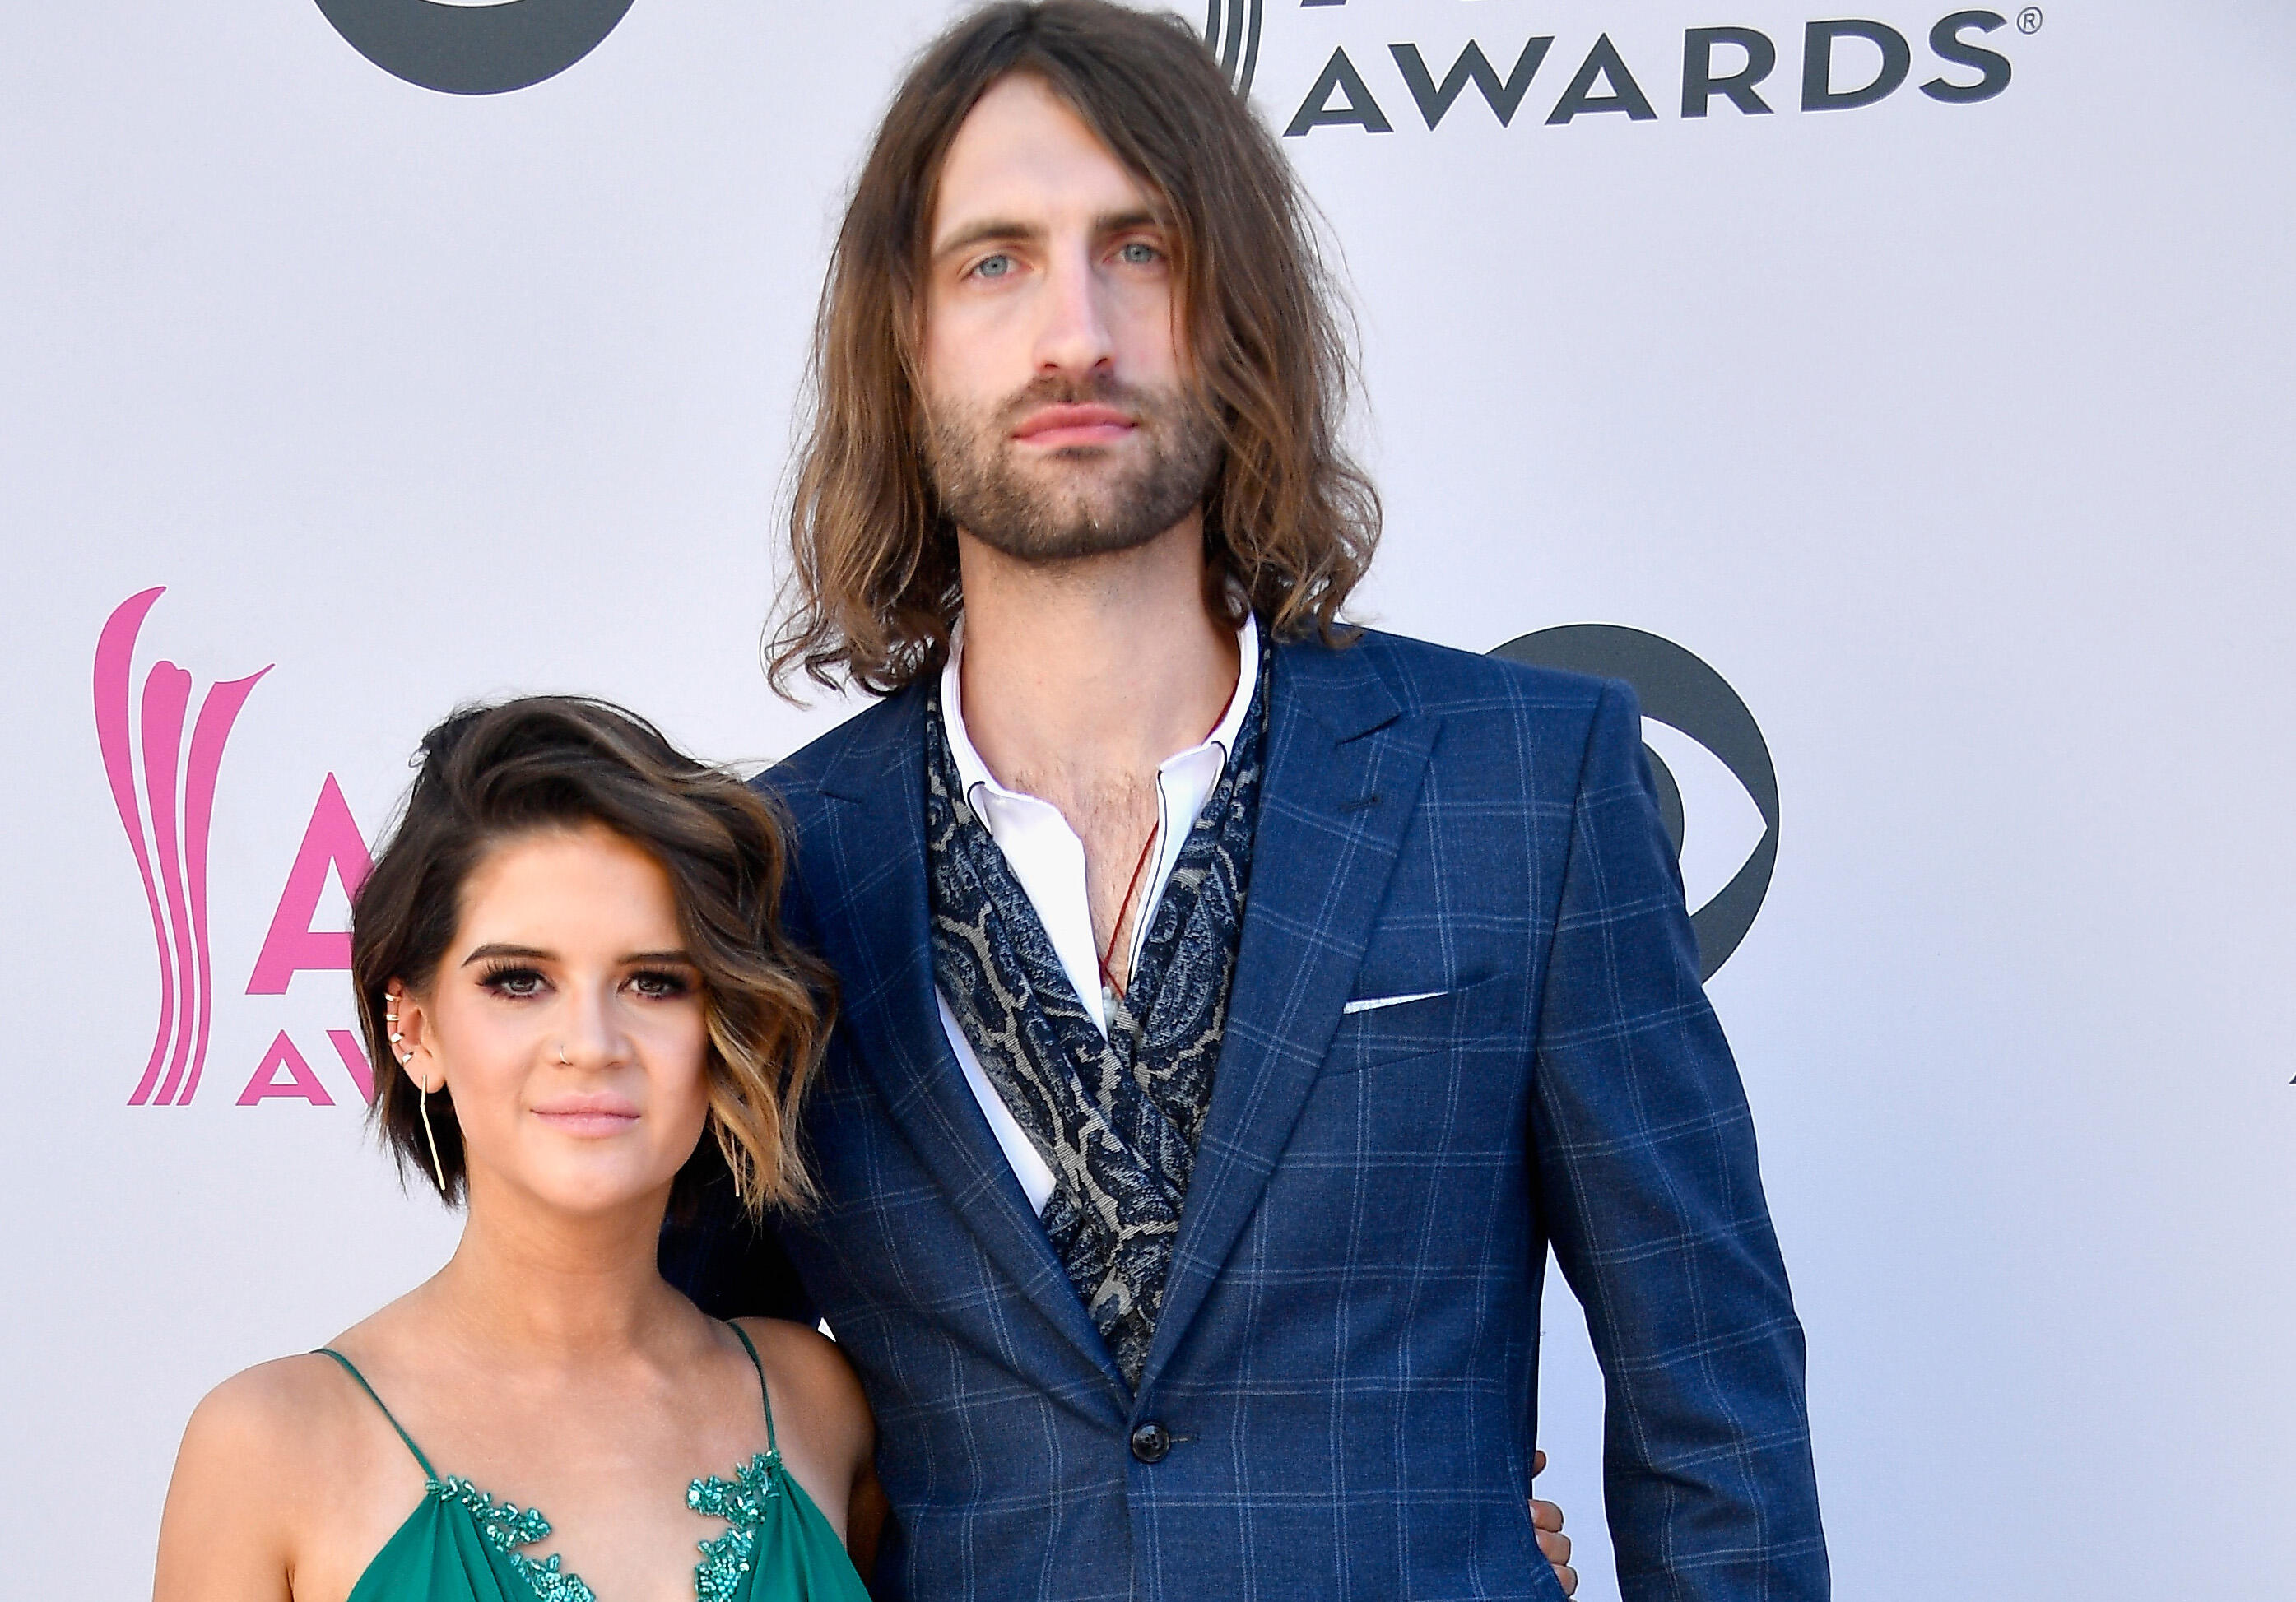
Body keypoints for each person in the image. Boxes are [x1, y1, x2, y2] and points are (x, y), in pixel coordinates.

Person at [663, 4, 1827, 1600]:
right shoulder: (771, 875)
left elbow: (1717, 1414)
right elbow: (634, 1382)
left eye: (1137, 249)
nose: (1073, 332)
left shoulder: (1524, 785)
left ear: (1236, 314)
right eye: (993, 261)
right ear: (904, 339)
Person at [154, 699, 882, 1602]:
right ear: (415, 1029)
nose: (591, 1042)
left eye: (654, 982)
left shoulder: (816, 1403)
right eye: (519, 981)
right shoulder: (269, 1446)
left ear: (718, 1025)